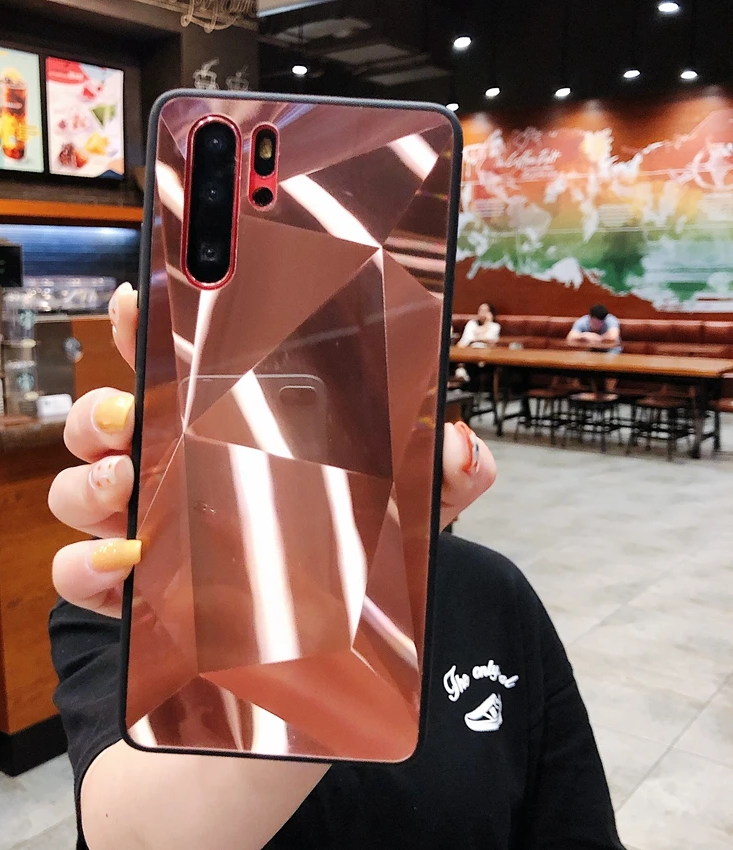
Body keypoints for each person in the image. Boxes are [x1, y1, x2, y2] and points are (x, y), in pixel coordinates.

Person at [47, 284, 625, 850]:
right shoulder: (130, 603)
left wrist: (365, 584)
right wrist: (310, 658)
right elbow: (130, 832)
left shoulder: (491, 593)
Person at [455, 302, 500, 383]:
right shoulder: (471, 324)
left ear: (490, 313)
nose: (481, 313)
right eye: (480, 310)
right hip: (469, 354)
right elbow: (466, 339)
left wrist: (488, 323)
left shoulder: (494, 326)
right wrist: (480, 339)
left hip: (486, 356)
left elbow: (491, 340)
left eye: (485, 311)